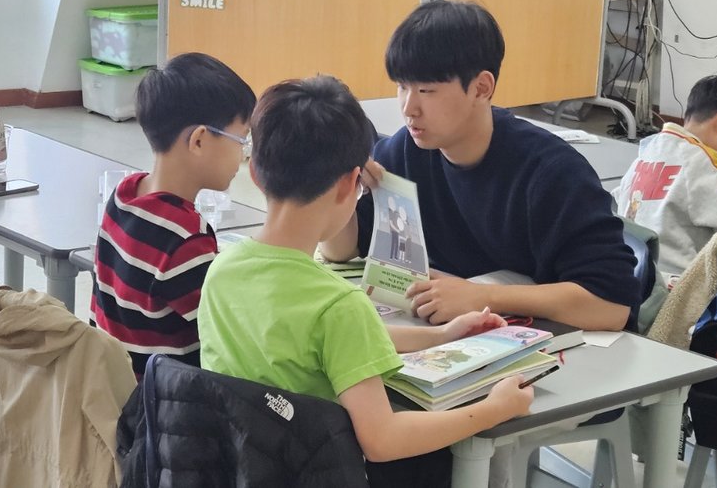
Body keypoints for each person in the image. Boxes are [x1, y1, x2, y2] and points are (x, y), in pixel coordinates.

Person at [198, 75, 532, 488]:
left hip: (245, 472)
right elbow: (382, 440)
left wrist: (441, 336)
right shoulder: (338, 305)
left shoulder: (222, 270)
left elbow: (320, 341)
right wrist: (494, 410)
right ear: (349, 185)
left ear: (255, 173)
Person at [319, 0, 640, 331]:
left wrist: (482, 296)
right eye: (402, 86)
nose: (409, 108)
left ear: (481, 88)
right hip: (454, 332)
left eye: (427, 90)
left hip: (550, 343)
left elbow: (611, 307)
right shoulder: (403, 151)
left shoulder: (551, 173)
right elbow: (339, 250)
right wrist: (343, 183)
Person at [91, 53, 254, 376]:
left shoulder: (124, 194)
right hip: (164, 400)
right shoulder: (185, 238)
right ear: (199, 140)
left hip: (112, 385)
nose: (243, 154)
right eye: (241, 139)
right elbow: (231, 334)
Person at [612, 73, 717, 276]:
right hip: (674, 281)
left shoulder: (651, 148)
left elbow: (618, 195)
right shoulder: (703, 161)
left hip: (629, 269)